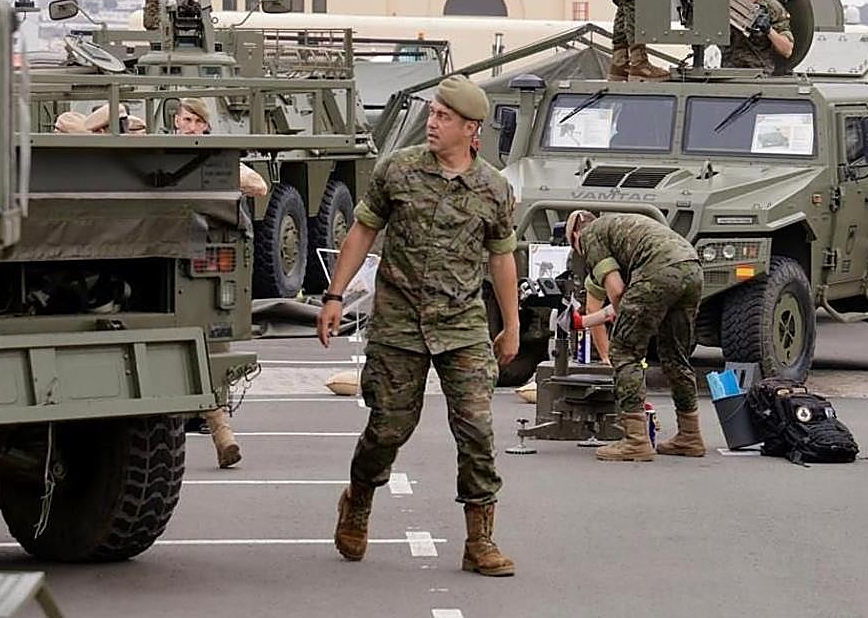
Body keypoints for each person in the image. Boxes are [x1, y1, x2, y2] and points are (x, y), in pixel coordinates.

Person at [317, 75, 519, 574]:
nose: (432, 123)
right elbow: (363, 230)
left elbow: (502, 259)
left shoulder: (493, 188)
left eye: (443, 118)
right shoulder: (398, 171)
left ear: (471, 129)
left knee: (475, 428)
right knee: (388, 427)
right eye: (431, 114)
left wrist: (511, 325)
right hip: (399, 323)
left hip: (462, 325)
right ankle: (358, 499)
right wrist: (335, 296)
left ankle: (480, 541)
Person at [566, 211, 705, 461]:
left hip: (659, 269)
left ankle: (635, 440)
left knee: (625, 352)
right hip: (691, 266)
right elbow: (619, 302)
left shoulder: (589, 234)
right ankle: (690, 435)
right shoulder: (620, 226)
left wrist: (624, 328)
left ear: (575, 235)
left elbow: (617, 291)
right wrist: (589, 320)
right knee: (675, 355)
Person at [175, 97, 267, 468]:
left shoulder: (214, 160)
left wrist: (220, 171)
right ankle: (219, 433)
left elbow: (257, 185)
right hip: (174, 257)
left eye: (193, 121)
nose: (186, 126)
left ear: (204, 126)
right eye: (182, 119)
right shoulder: (159, 153)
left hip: (206, 263)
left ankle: (222, 433)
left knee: (212, 351)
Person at [722, 0, 794, 74]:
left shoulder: (773, 8)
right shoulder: (732, 0)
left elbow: (787, 50)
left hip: (757, 77)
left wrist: (768, 29)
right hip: (728, 73)